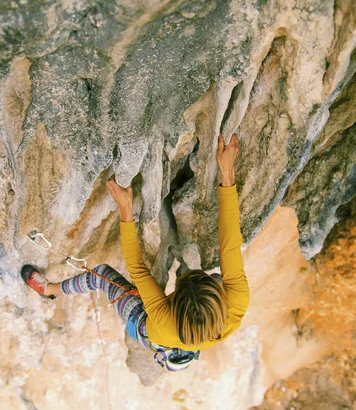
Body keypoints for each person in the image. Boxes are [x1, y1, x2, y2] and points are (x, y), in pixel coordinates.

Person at [21, 133, 249, 363]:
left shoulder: (162, 321)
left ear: (173, 304)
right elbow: (230, 241)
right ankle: (189, 344)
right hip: (195, 331)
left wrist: (126, 210)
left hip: (147, 328)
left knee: (101, 274)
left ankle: (49, 290)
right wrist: (226, 173)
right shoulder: (236, 304)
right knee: (222, 276)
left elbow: (138, 269)